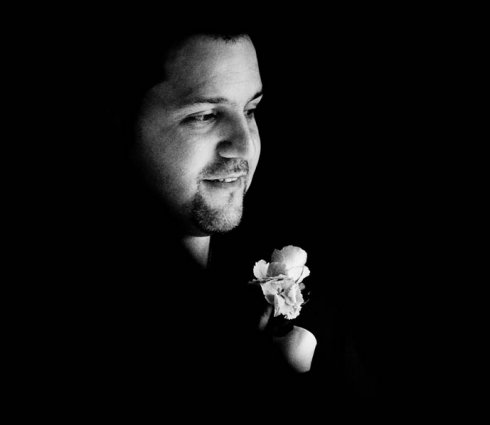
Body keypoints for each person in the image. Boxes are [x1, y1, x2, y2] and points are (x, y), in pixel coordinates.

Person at [44, 27, 377, 400]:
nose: (245, 145)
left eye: (250, 110)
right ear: (122, 124)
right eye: (204, 116)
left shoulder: (301, 302)